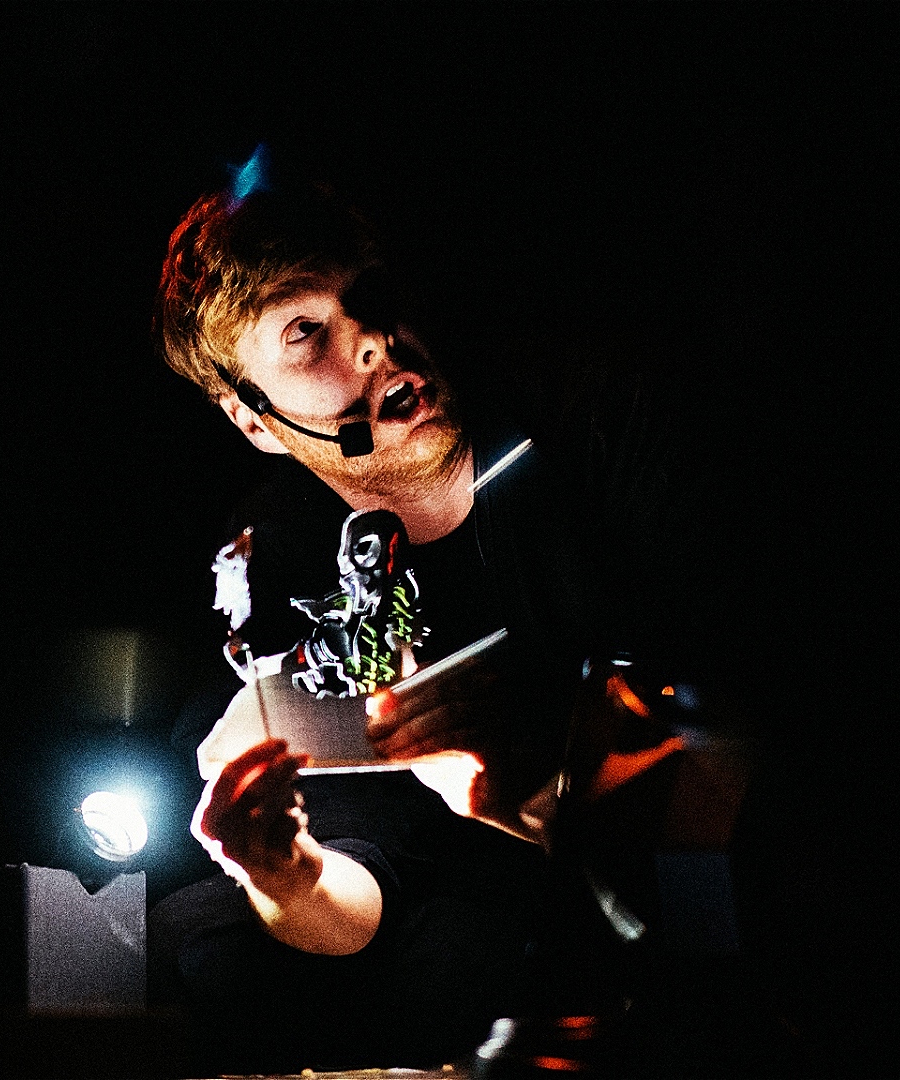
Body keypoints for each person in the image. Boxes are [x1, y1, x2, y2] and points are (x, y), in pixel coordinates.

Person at [147, 174, 746, 1069]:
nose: (374, 344)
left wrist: (548, 793)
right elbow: (357, 893)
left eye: (371, 298)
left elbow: (753, 767)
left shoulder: (596, 430)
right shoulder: (278, 555)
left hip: (702, 869)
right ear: (252, 418)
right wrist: (282, 871)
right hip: (479, 931)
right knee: (202, 933)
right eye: (306, 331)